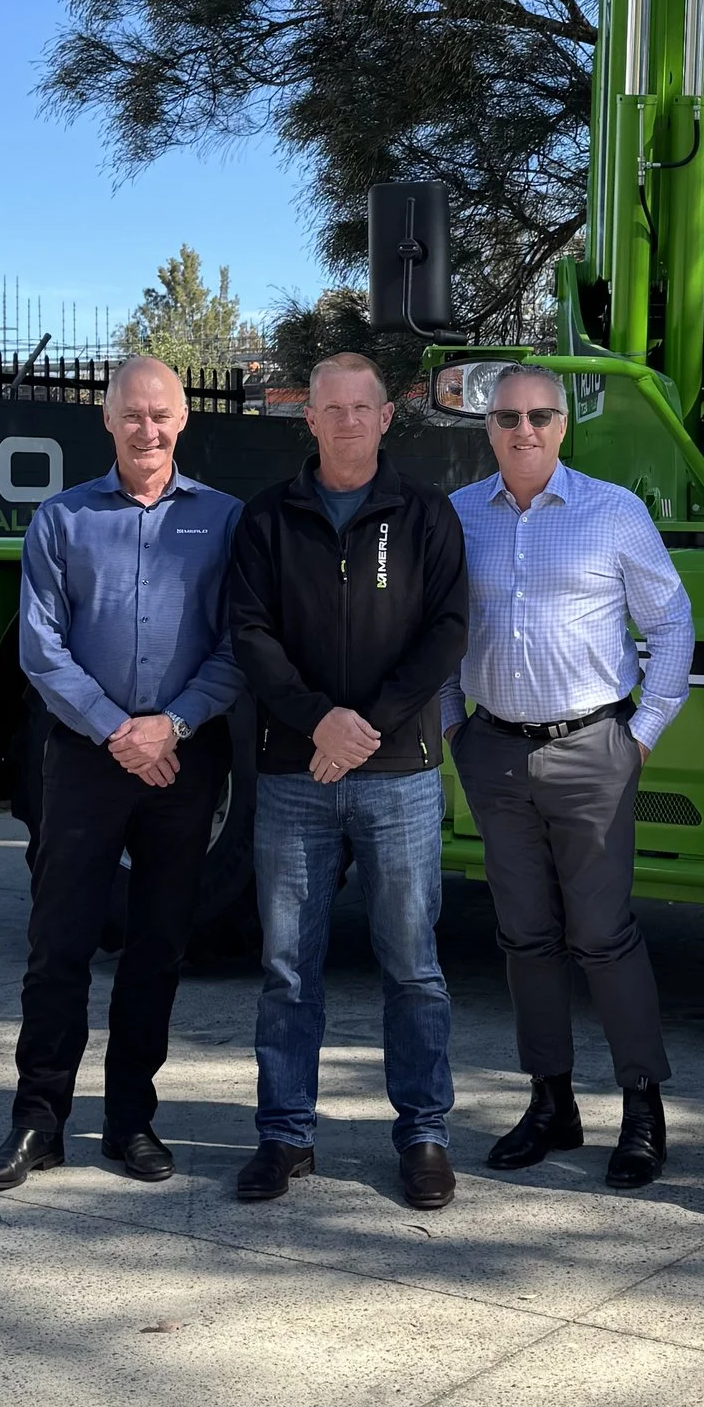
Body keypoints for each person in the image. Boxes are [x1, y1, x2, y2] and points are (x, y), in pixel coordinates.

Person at [0, 356, 243, 1195]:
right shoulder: (63, 519)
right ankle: (37, 1121)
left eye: (161, 414)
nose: (147, 429)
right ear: (107, 419)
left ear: (183, 419)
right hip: (86, 761)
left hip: (183, 761)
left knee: (157, 948)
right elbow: (41, 649)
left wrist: (170, 724)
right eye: (132, 414)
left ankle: (130, 1121)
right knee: (59, 947)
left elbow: (237, 645)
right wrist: (119, 729)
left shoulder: (224, 520)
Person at [227, 353, 470, 1210]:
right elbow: (250, 635)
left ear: (386, 415)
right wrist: (317, 721)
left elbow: (447, 632)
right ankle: (284, 1135)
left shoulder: (426, 513)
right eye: (330, 408)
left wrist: (364, 725)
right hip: (294, 772)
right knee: (288, 967)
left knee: (413, 965)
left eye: (361, 406)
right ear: (310, 419)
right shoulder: (268, 518)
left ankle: (425, 1134)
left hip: (398, 772)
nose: (347, 421)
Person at [443, 364, 697, 1186]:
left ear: (563, 424)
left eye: (540, 415)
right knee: (525, 935)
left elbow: (672, 621)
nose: (524, 429)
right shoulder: (457, 516)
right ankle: (551, 1103)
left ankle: (642, 1109)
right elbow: (438, 631)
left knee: (602, 935)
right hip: (494, 753)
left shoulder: (612, 511)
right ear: (488, 426)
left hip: (594, 751)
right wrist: (454, 728)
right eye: (508, 416)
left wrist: (640, 736)